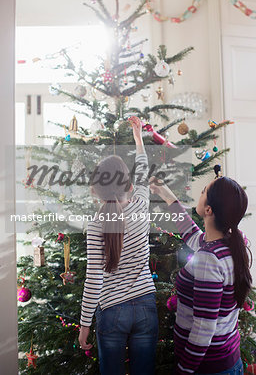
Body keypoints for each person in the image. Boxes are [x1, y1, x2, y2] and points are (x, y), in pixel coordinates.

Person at [79, 116, 158, 375]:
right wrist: (138, 139)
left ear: (98, 190)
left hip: (111, 310)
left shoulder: (96, 224)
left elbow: (93, 279)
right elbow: (144, 169)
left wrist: (85, 325)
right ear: (128, 184)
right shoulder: (141, 205)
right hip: (145, 304)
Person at [149, 175, 252, 375]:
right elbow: (190, 233)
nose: (200, 193)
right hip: (227, 359)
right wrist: (165, 193)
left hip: (207, 366)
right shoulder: (226, 244)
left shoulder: (209, 258)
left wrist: (183, 369)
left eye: (204, 190)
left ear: (209, 210)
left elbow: (203, 328)